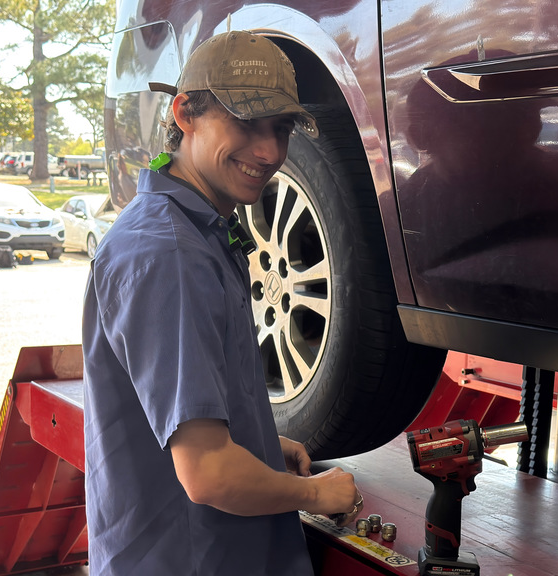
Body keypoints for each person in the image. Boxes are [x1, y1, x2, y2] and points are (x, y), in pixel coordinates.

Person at [82, 31, 362, 575]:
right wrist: (315, 494)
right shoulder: (170, 255)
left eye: (279, 130)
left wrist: (256, 440)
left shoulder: (197, 230)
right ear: (184, 113)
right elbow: (209, 474)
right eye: (246, 124)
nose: (270, 152)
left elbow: (182, 411)